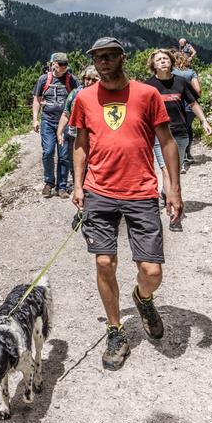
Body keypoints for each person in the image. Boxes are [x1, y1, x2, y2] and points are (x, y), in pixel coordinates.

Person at [69, 37, 183, 371]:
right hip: (99, 191)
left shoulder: (147, 94)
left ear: (122, 57)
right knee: (105, 261)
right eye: (97, 57)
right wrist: (78, 185)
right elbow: (80, 144)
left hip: (141, 191)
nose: (103, 61)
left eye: (109, 56)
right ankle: (116, 329)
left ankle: (143, 298)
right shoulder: (84, 98)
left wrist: (173, 188)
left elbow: (167, 140)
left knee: (151, 270)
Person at [145, 49, 212, 231]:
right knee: (168, 172)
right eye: (159, 59)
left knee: (175, 172)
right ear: (153, 65)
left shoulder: (181, 82)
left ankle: (166, 193)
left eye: (166, 58)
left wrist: (204, 121)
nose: (163, 62)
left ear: (171, 61)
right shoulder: (148, 86)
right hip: (160, 135)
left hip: (180, 133)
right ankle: (175, 215)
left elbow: (193, 104)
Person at [32, 52, 80, 198]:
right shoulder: (43, 79)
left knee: (64, 155)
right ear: (53, 64)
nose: (63, 67)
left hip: (65, 122)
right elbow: (37, 99)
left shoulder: (71, 80)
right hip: (47, 120)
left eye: (66, 64)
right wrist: (35, 119)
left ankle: (62, 186)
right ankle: (49, 182)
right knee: (48, 152)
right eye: (60, 64)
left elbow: (79, 97)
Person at [56, 65, 100, 194]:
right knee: (76, 167)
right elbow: (66, 113)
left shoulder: (104, 95)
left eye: (93, 79)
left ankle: (90, 196)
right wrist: (59, 132)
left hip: (95, 137)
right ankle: (80, 198)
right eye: (87, 78)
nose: (89, 82)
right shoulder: (75, 93)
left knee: (93, 167)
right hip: (74, 135)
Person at [172, 51, 202, 163]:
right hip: (190, 107)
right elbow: (198, 91)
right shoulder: (191, 73)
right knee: (188, 128)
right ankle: (187, 153)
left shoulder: (171, 73)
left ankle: (181, 156)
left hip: (175, 106)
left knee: (178, 131)